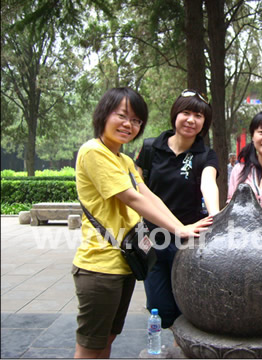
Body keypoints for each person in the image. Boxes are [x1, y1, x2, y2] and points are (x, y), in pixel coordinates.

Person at [73, 88, 211, 358]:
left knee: (107, 339)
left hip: (122, 263)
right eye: (122, 116)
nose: (129, 125)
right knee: (90, 347)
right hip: (98, 267)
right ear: (103, 115)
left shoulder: (122, 159)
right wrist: (179, 228)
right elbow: (132, 199)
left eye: (136, 120)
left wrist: (183, 228)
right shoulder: (93, 151)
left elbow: (150, 196)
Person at [136, 89, 220, 331]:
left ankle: (184, 349)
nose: (191, 119)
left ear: (205, 122)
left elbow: (208, 183)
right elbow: (137, 187)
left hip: (190, 241)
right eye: (186, 112)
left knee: (189, 306)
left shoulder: (205, 154)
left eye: (199, 115)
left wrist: (214, 215)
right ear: (175, 114)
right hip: (152, 239)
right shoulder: (151, 148)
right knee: (159, 308)